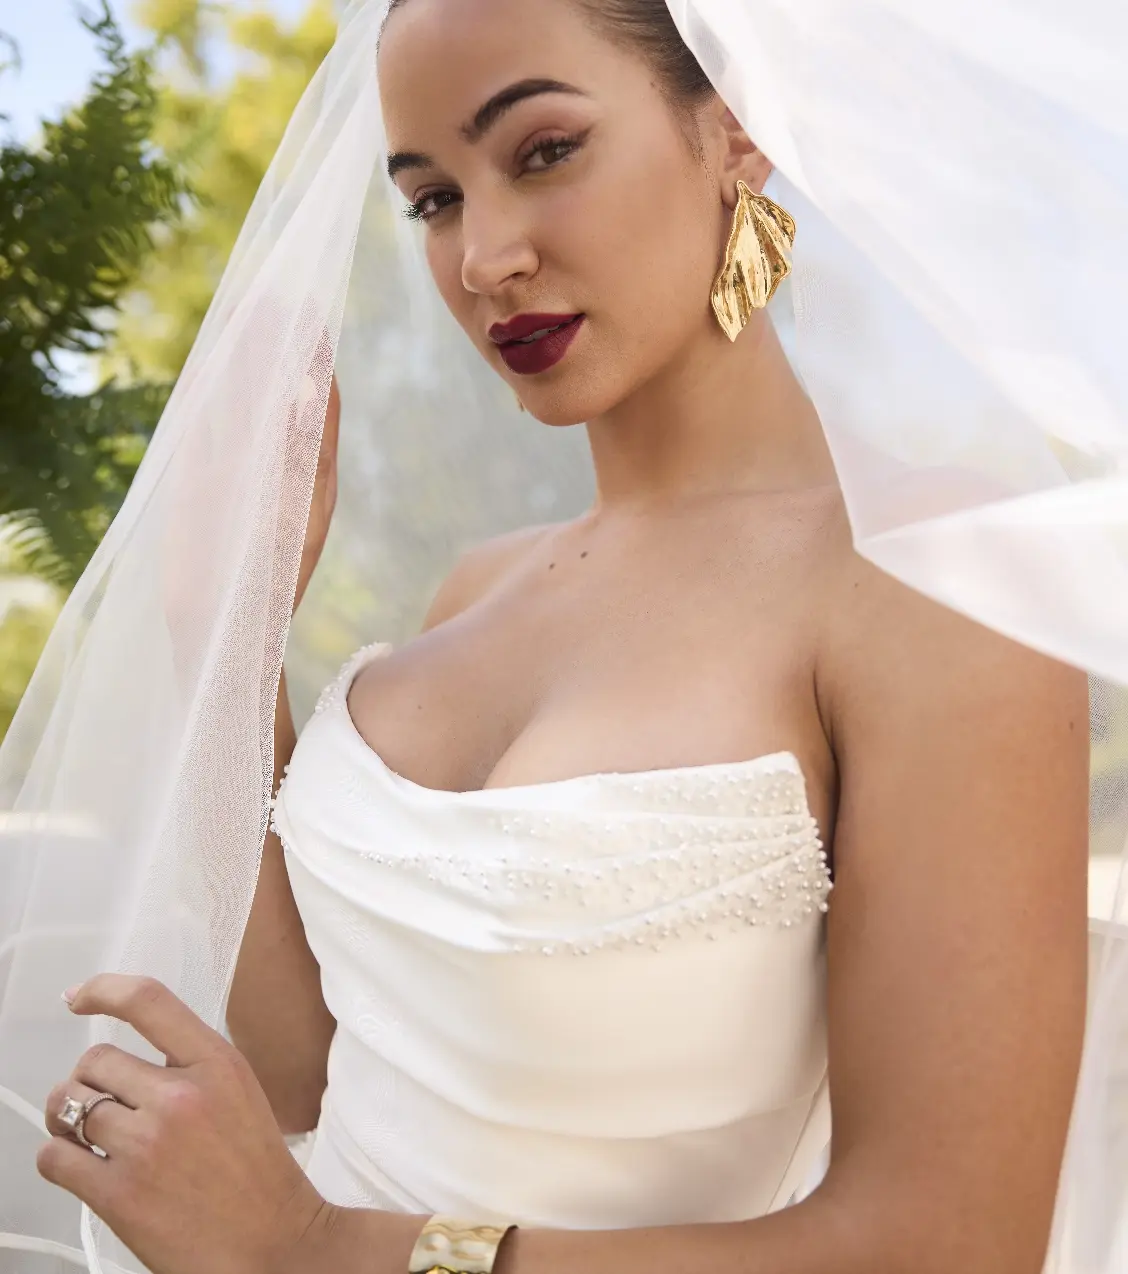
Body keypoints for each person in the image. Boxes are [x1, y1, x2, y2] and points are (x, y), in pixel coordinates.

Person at [5, 2, 1124, 1273]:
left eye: (543, 151)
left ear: (737, 129)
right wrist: (229, 624)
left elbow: (951, 1242)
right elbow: (303, 1068)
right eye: (430, 198)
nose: (484, 257)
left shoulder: (929, 578)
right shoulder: (473, 593)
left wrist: (323, 1249)